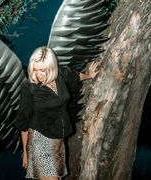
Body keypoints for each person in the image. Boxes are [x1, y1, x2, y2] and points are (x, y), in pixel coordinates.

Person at [15, 46, 99, 180]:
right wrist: (25, 152)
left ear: (52, 67)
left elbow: (76, 76)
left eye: (42, 70)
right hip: (40, 139)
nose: (38, 75)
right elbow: (23, 121)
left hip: (59, 139)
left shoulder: (61, 75)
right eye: (34, 70)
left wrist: (89, 76)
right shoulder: (29, 87)